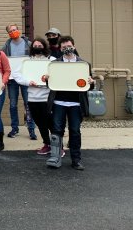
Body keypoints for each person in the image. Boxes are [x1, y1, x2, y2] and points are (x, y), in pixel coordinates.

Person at [46, 35, 93, 171]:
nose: (67, 49)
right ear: (60, 49)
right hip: (59, 102)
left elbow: (87, 86)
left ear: (74, 46)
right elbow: (51, 84)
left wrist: (92, 82)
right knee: (57, 130)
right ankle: (55, 158)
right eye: (64, 47)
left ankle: (76, 160)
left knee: (75, 132)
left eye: (69, 46)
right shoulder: (55, 65)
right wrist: (48, 79)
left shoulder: (84, 65)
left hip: (76, 104)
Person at [13, 38, 56, 155]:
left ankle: (58, 146)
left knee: (50, 123)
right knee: (40, 123)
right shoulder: (27, 61)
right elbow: (16, 74)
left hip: (46, 98)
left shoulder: (51, 60)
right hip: (32, 98)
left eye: (40, 45)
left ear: (44, 46)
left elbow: (59, 74)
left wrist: (49, 80)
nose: (37, 47)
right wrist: (27, 82)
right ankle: (47, 144)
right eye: (35, 45)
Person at [2, 23, 36, 140]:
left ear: (19, 30)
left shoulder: (28, 44)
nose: (13, 32)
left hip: (25, 78)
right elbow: (2, 60)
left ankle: (31, 129)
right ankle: (14, 128)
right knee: (12, 105)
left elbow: (34, 59)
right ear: (8, 34)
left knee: (28, 104)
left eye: (14, 30)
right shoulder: (6, 46)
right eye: (10, 31)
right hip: (12, 80)